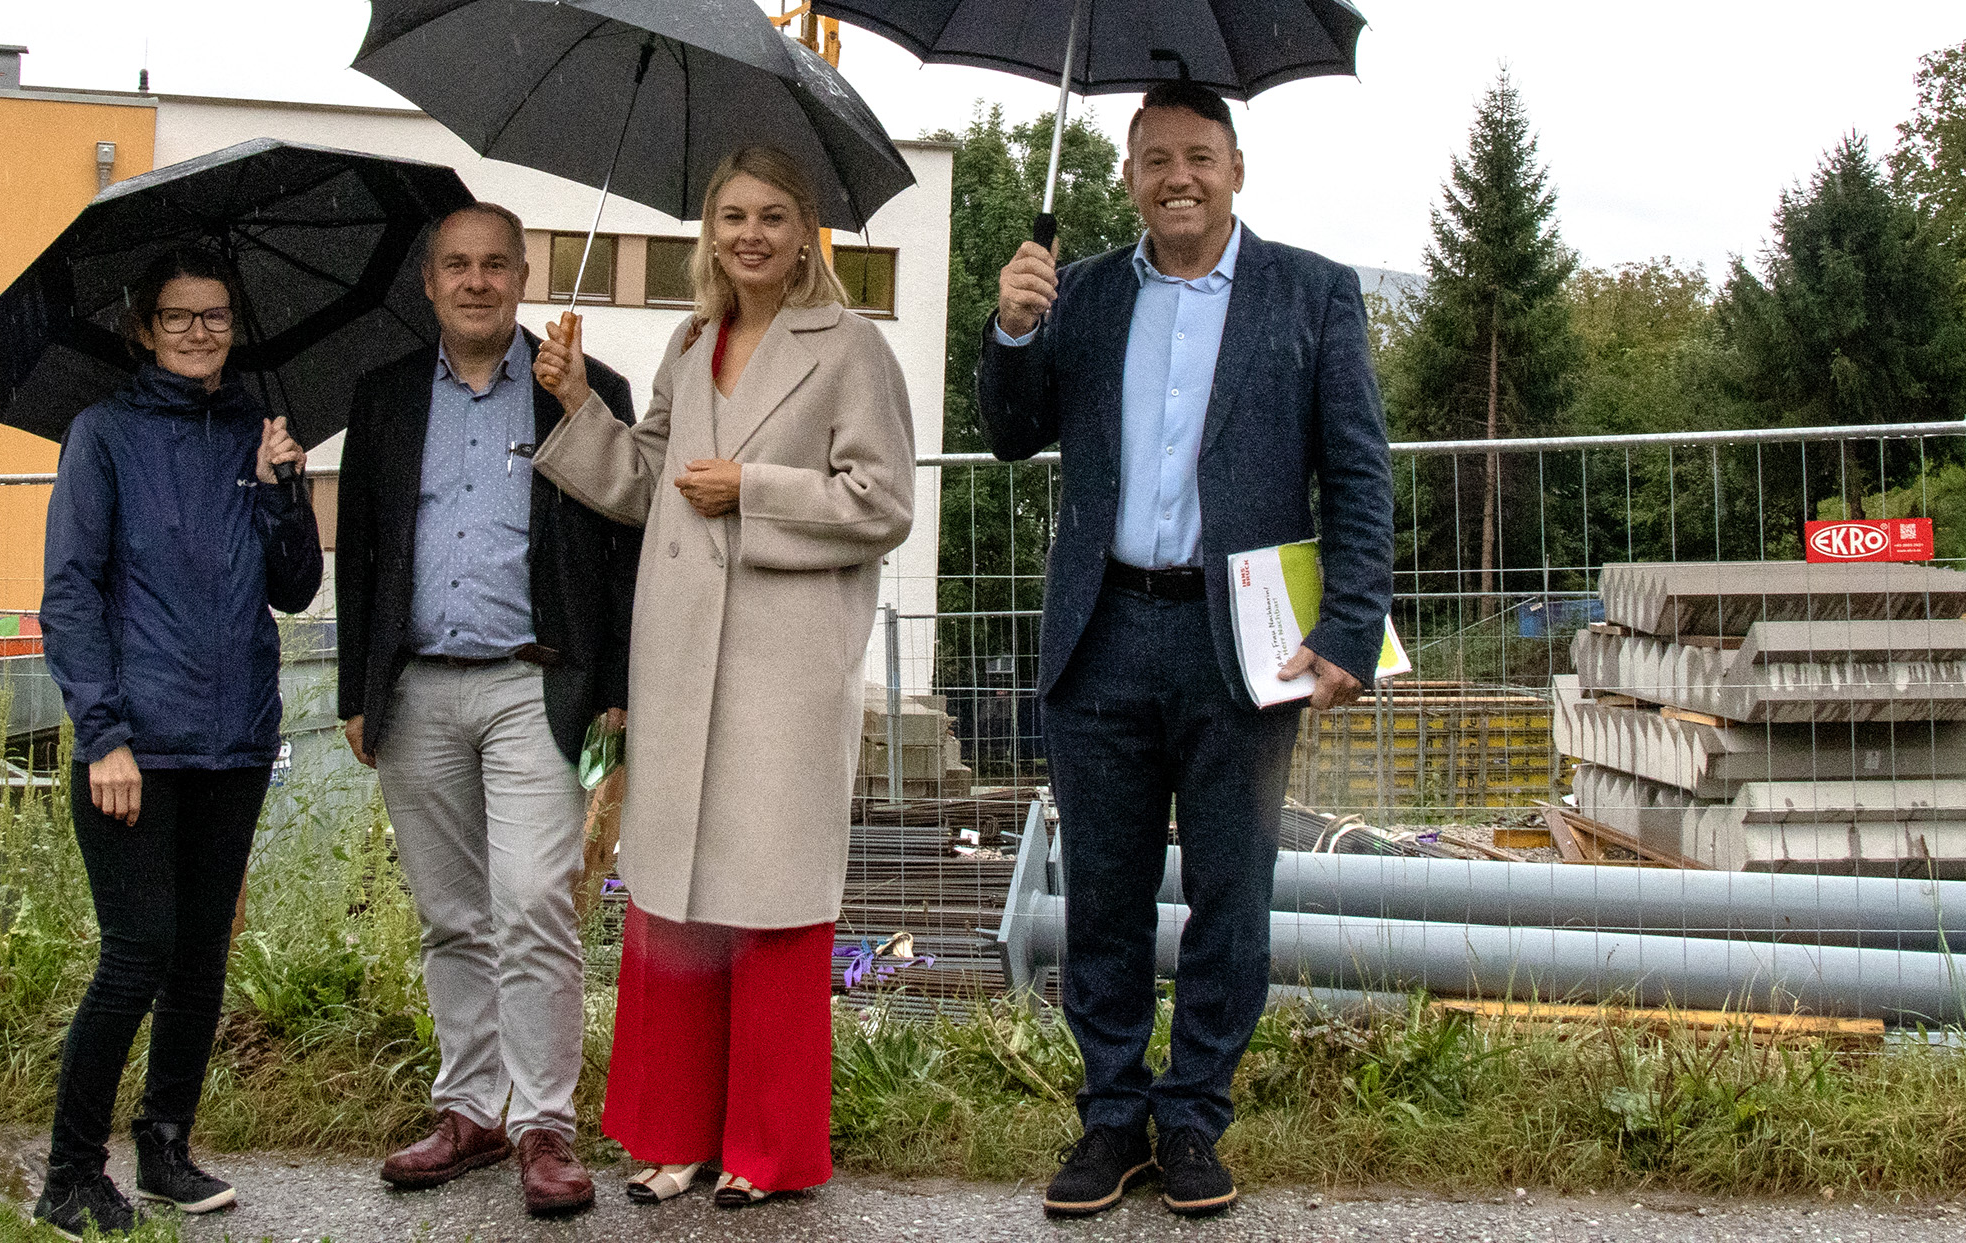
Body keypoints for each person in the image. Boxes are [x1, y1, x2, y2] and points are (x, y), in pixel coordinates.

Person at [976, 81, 1393, 1220]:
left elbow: (1357, 468)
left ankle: (1194, 1111)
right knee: (1102, 891)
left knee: (1231, 893)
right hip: (1101, 628)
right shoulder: (1085, 293)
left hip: (1241, 642)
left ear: (1236, 168)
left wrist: (1350, 623)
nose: (1178, 178)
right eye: (1155, 157)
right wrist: (1013, 330)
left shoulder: (1309, 293)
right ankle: (1112, 1111)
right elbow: (1011, 435)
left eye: (1199, 156)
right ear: (1126, 175)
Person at [532, 144, 915, 1208]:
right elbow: (650, 480)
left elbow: (881, 501)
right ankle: (674, 1135)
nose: (750, 232)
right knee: (674, 902)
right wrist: (574, 404)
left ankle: (767, 1146)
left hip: (782, 666)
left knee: (774, 904)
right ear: (711, 229)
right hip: (681, 651)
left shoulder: (852, 348)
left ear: (806, 237)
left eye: (773, 217)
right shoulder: (690, 338)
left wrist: (754, 485)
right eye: (732, 214)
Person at [335, 202, 642, 1218]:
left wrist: (615, 692)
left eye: (495, 264)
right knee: (451, 913)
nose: (476, 280)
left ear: (523, 275)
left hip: (533, 684)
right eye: (457, 265)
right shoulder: (381, 398)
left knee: (533, 900)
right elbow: (364, 554)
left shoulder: (582, 391)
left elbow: (617, 545)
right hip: (414, 686)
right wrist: (353, 693)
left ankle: (544, 1122)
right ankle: (468, 1108)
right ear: (429, 283)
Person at [35, 244, 325, 1241]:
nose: (199, 331)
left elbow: (295, 587)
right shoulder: (102, 435)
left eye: (214, 315)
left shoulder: (256, 429)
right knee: (136, 953)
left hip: (234, 739)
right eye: (177, 315)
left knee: (200, 957)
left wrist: (284, 488)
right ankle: (71, 1170)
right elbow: (69, 593)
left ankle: (164, 1147)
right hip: (134, 748)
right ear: (143, 328)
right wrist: (103, 734)